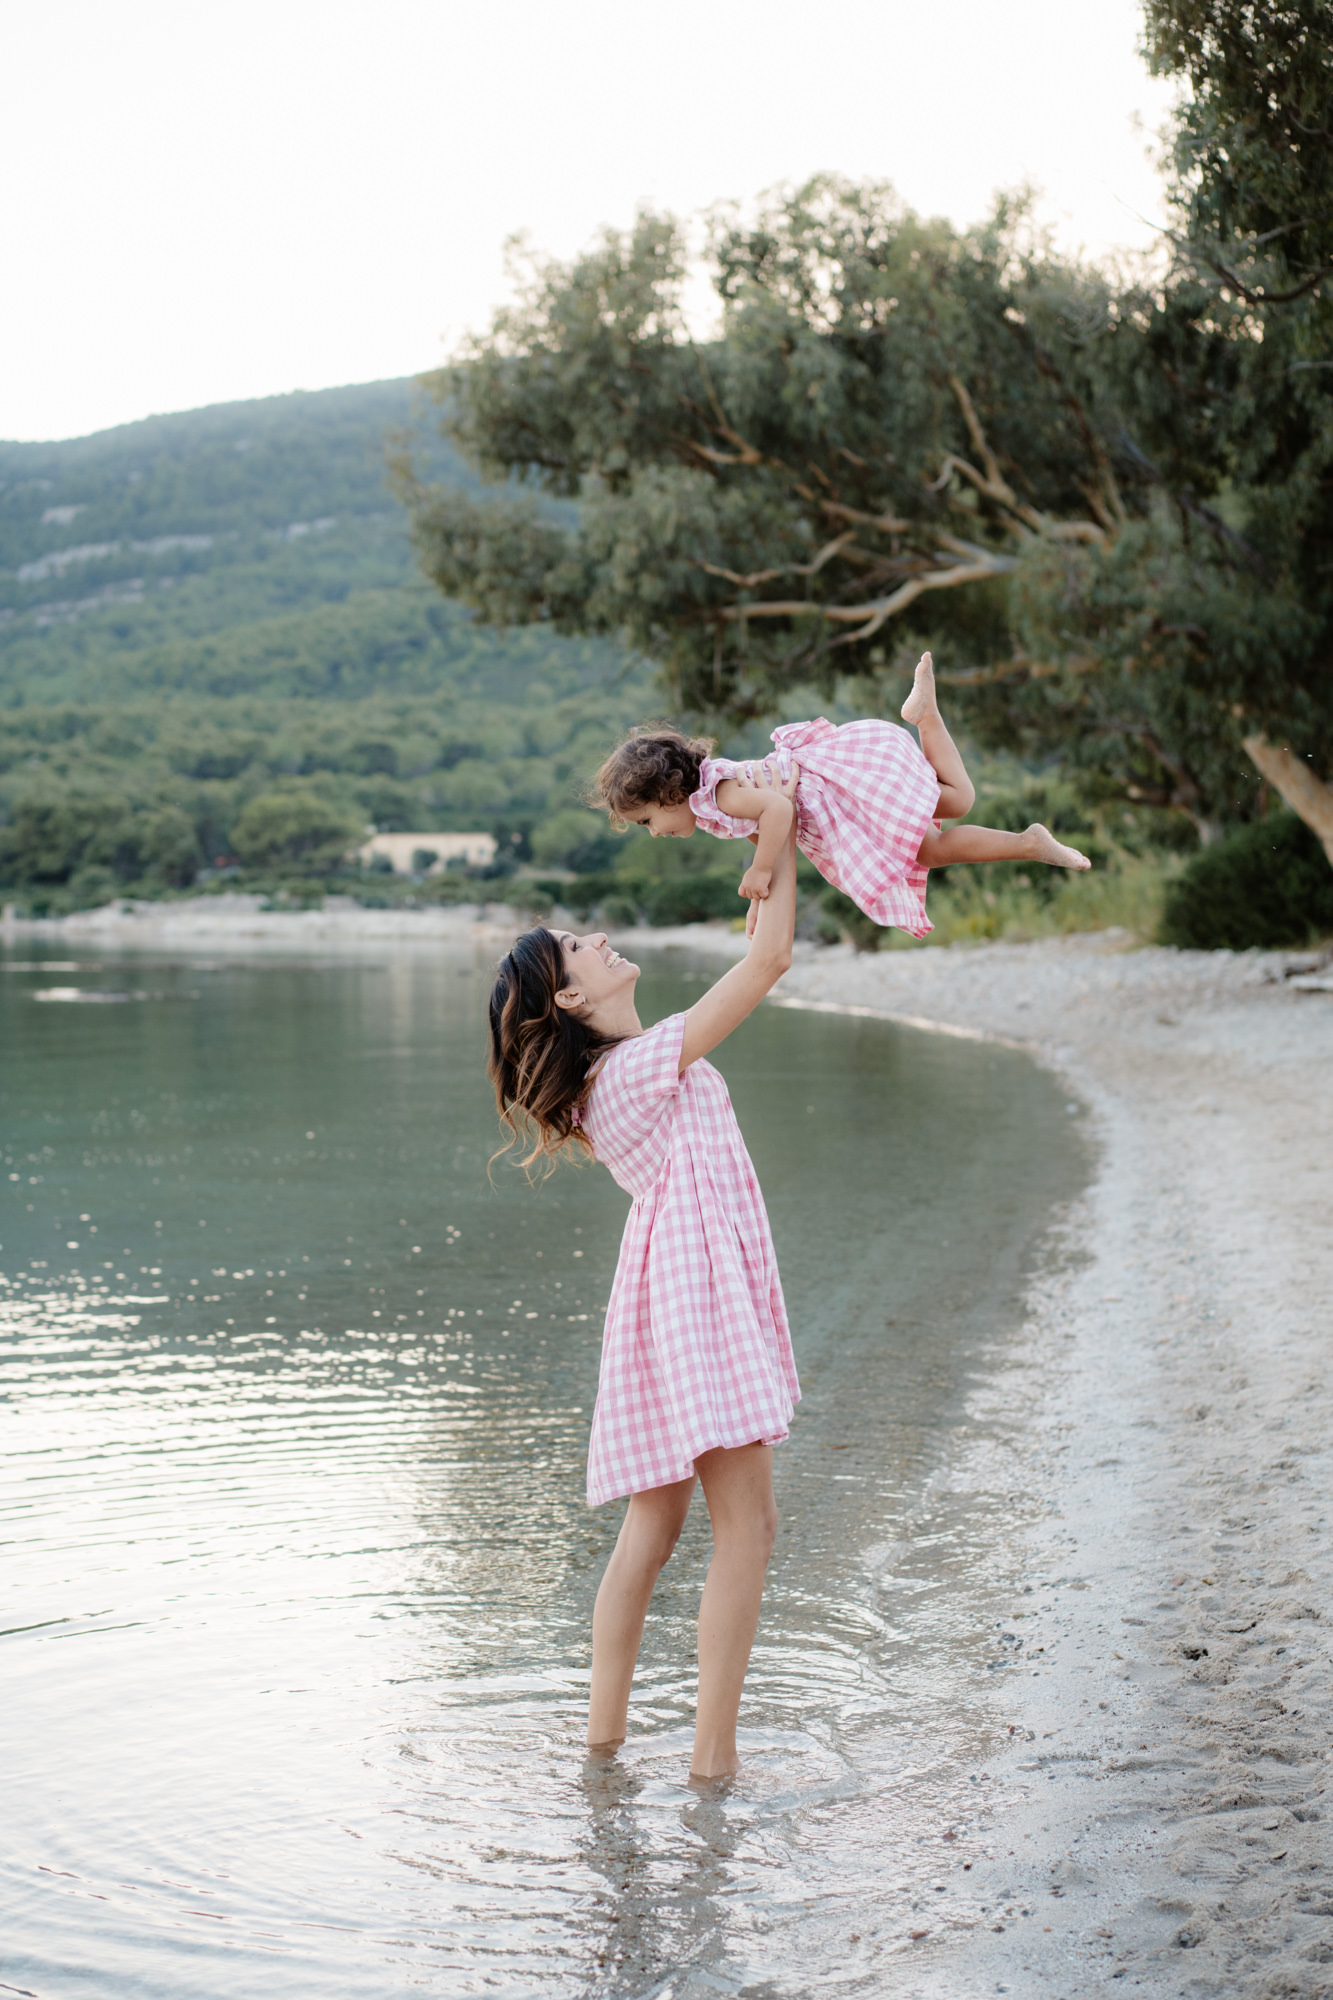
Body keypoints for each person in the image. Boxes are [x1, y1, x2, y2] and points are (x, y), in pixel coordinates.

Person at [486, 787, 800, 1780]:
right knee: (744, 1522)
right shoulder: (634, 1071)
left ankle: (603, 1742)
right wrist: (780, 837)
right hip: (693, 1295)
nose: (601, 936)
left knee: (656, 1524)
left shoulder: (607, 1080)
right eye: (580, 943)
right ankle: (713, 1761)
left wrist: (768, 838)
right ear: (570, 1000)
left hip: (668, 1294)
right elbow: (768, 960)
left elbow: (756, 946)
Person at [591, 651, 1090, 939]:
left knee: (930, 847)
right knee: (957, 801)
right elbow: (764, 829)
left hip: (839, 787)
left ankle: (1027, 844)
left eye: (646, 821)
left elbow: (777, 809)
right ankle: (927, 716)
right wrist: (758, 903)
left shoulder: (715, 797)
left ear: (668, 791)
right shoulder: (714, 802)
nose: (654, 833)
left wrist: (761, 872)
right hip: (844, 780)